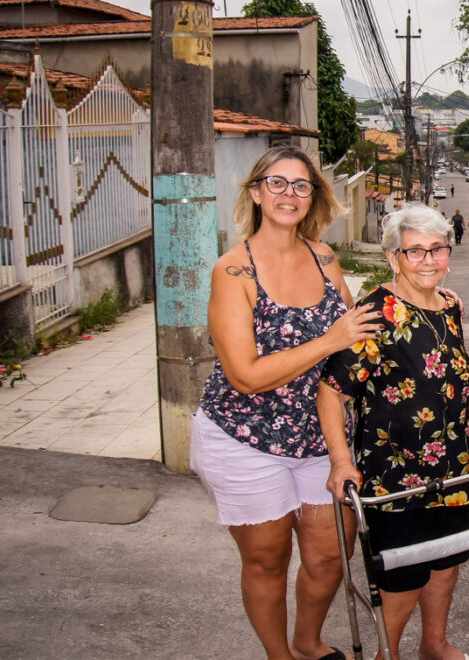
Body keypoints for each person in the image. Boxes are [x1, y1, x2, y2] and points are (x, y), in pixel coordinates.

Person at [191, 144, 381, 660]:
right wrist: (330, 341)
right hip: (245, 436)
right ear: (255, 192)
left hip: (318, 433)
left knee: (327, 557)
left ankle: (307, 641)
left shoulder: (324, 257)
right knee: (267, 561)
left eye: (301, 185)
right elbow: (245, 376)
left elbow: (353, 342)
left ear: (313, 196)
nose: (288, 194)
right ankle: (280, 656)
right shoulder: (233, 272)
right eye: (276, 183)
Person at [317, 204, 469, 659]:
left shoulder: (450, 304)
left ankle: (433, 645)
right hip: (396, 475)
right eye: (414, 251)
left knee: (447, 561)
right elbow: (331, 392)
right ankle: (386, 655)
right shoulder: (376, 314)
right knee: (401, 576)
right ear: (393, 257)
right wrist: (341, 461)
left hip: (455, 465)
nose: (428, 260)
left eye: (436, 249)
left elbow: (451, 378)